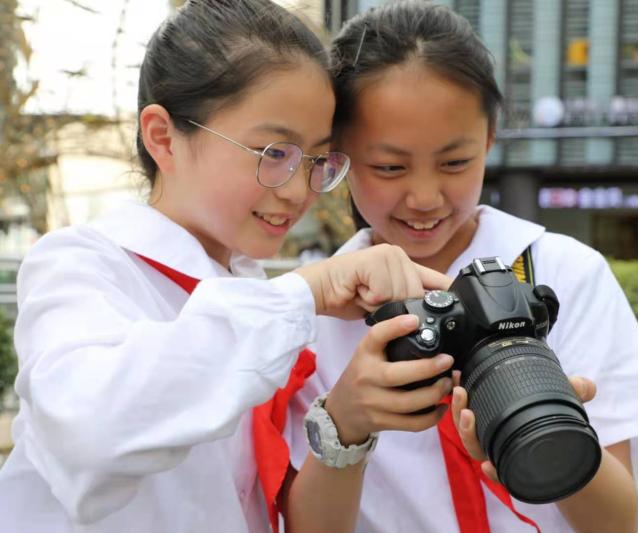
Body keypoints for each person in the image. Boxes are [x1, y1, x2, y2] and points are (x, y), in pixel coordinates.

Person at [0, 2, 453, 532]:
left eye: (315, 160)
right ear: (163, 137)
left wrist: (348, 415)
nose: (298, 191)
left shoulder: (253, 293)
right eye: (273, 152)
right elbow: (87, 427)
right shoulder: (81, 263)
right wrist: (304, 291)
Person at [283, 2, 638, 532]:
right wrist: (345, 421)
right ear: (338, 154)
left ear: (490, 138)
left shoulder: (564, 273)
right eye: (389, 166)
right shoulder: (310, 311)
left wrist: (552, 428)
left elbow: (616, 525)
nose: (425, 197)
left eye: (455, 162)